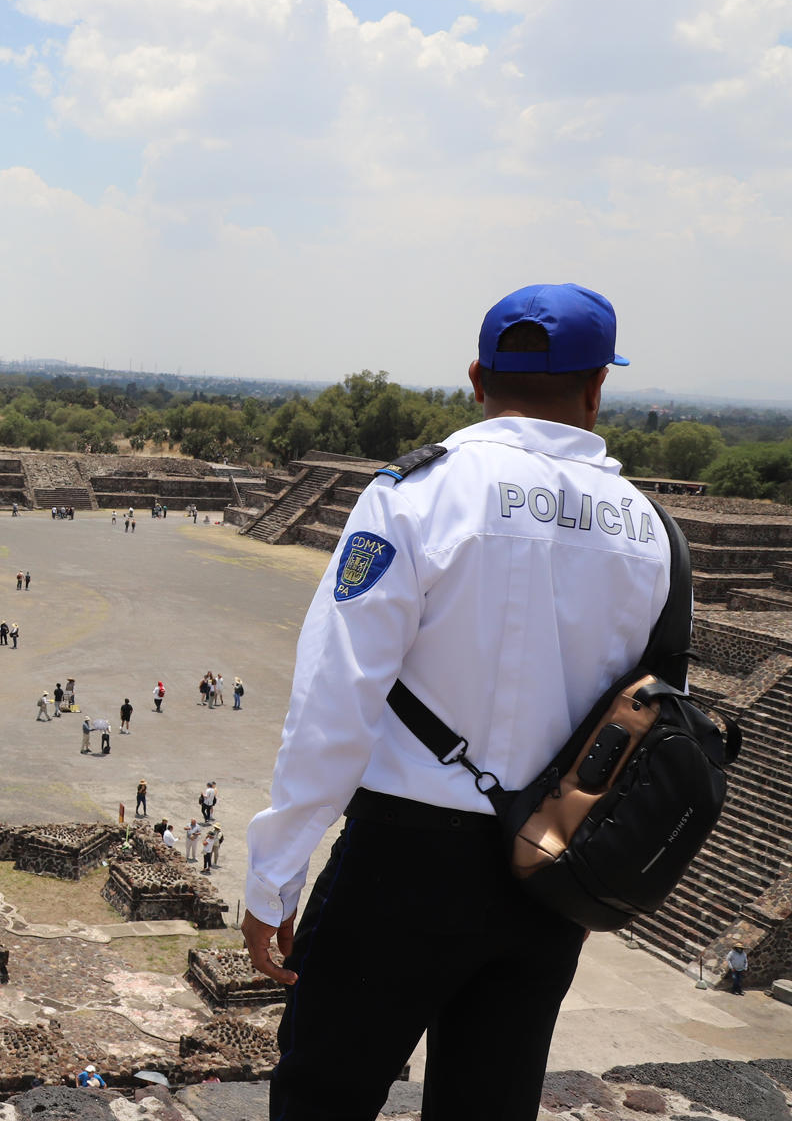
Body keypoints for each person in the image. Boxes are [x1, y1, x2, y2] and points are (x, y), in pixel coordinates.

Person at [243, 284, 669, 1121]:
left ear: (477, 377)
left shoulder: (418, 493)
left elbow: (338, 696)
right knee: (489, 1102)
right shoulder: (649, 531)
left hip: (403, 858)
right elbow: (647, 728)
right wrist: (594, 881)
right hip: (547, 870)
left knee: (324, 1093)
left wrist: (275, 873)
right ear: (597, 387)